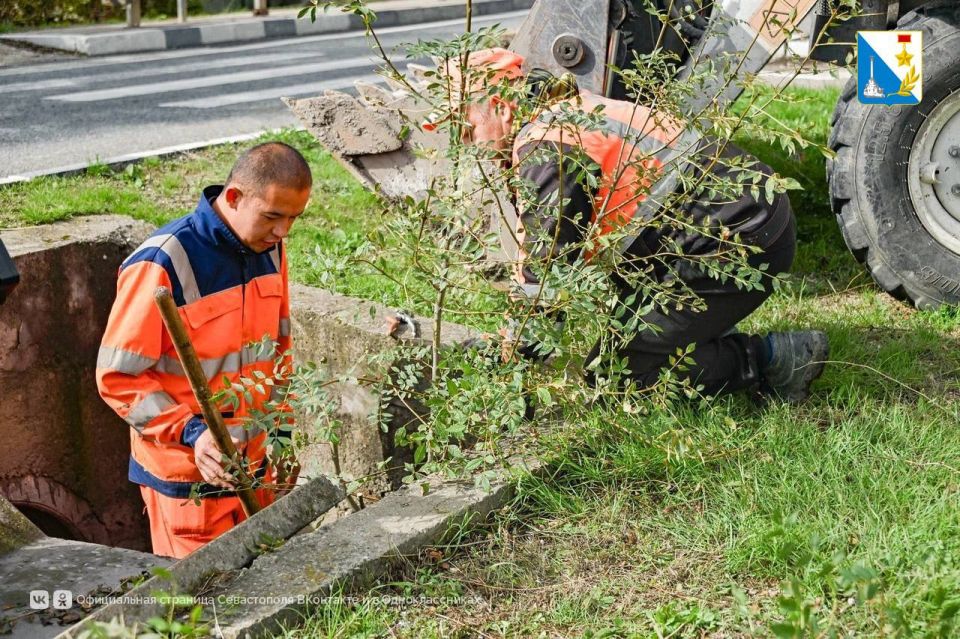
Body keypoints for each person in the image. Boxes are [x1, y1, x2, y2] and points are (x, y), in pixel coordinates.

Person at [424, 48, 829, 402]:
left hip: (741, 239)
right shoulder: (562, 116)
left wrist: (513, 370)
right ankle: (697, 328)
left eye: (466, 126)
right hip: (729, 222)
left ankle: (775, 358)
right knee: (623, 341)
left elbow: (547, 279)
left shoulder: (548, 153)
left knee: (616, 377)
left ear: (501, 106)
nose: (465, 141)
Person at [96, 142, 309, 558]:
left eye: (293, 218)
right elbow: (118, 379)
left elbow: (278, 355)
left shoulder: (270, 248)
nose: (284, 232)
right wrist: (194, 434)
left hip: (257, 472)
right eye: (273, 216)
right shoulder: (161, 263)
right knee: (201, 612)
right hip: (187, 484)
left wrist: (281, 441)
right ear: (234, 197)